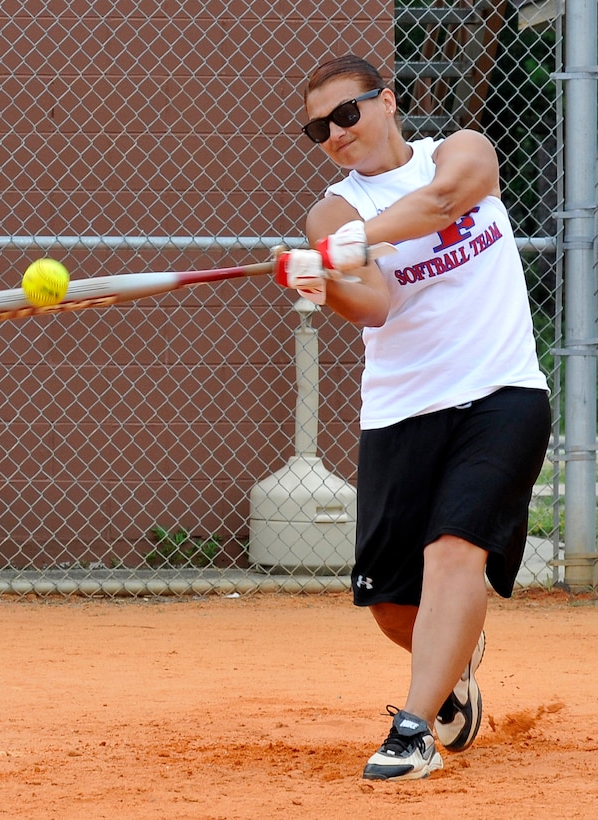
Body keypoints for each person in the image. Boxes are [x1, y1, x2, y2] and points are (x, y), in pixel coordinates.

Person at [275, 54, 551, 781]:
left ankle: (412, 731)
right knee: (394, 607)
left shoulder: (459, 151)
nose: (335, 134)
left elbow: (446, 200)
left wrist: (362, 242)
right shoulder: (331, 213)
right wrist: (325, 280)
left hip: (503, 393)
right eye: (317, 129)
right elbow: (375, 305)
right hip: (402, 411)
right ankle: (454, 663)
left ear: (387, 101)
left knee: (454, 547)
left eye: (346, 113)